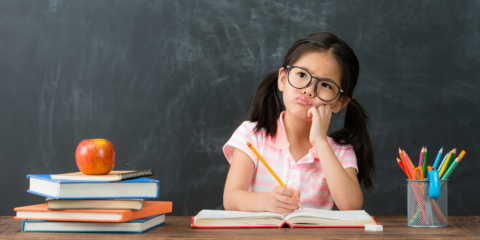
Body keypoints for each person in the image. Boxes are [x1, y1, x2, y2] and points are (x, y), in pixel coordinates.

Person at [222, 32, 375, 213]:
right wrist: (267, 202)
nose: (309, 90)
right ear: (283, 79)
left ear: (339, 102)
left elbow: (351, 206)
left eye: (326, 85)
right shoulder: (252, 134)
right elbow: (231, 199)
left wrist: (320, 142)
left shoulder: (340, 152)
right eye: (302, 75)